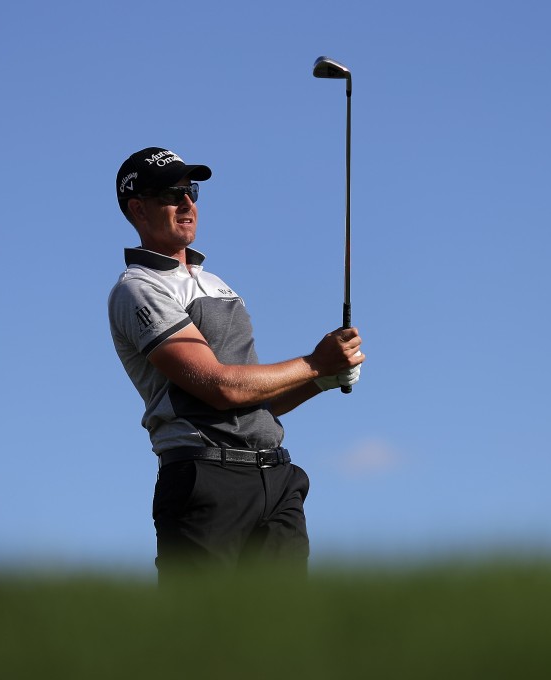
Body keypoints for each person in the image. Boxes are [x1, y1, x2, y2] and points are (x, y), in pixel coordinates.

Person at [107, 147, 365, 580]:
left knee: (283, 634)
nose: (188, 203)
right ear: (138, 209)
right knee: (204, 637)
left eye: (191, 191)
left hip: (275, 478)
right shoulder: (139, 288)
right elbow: (219, 387)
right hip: (204, 478)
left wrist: (322, 378)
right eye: (172, 194)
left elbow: (253, 400)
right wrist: (315, 364)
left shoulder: (216, 284)